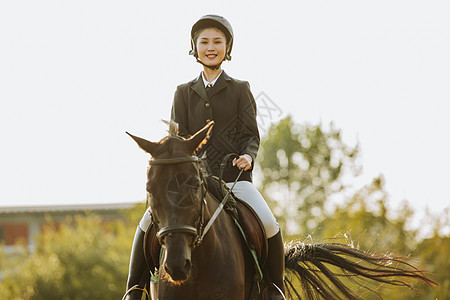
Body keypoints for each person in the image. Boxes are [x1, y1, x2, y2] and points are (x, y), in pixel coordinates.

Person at [125, 15, 285, 300]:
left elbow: (250, 134)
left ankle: (275, 289)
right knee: (147, 222)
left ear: (227, 47)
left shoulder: (240, 88)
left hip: (233, 178)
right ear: (194, 47)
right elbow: (177, 140)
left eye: (217, 42)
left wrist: (248, 156)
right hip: (190, 182)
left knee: (269, 223)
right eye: (204, 42)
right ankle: (134, 289)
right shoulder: (182, 93)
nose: (211, 47)